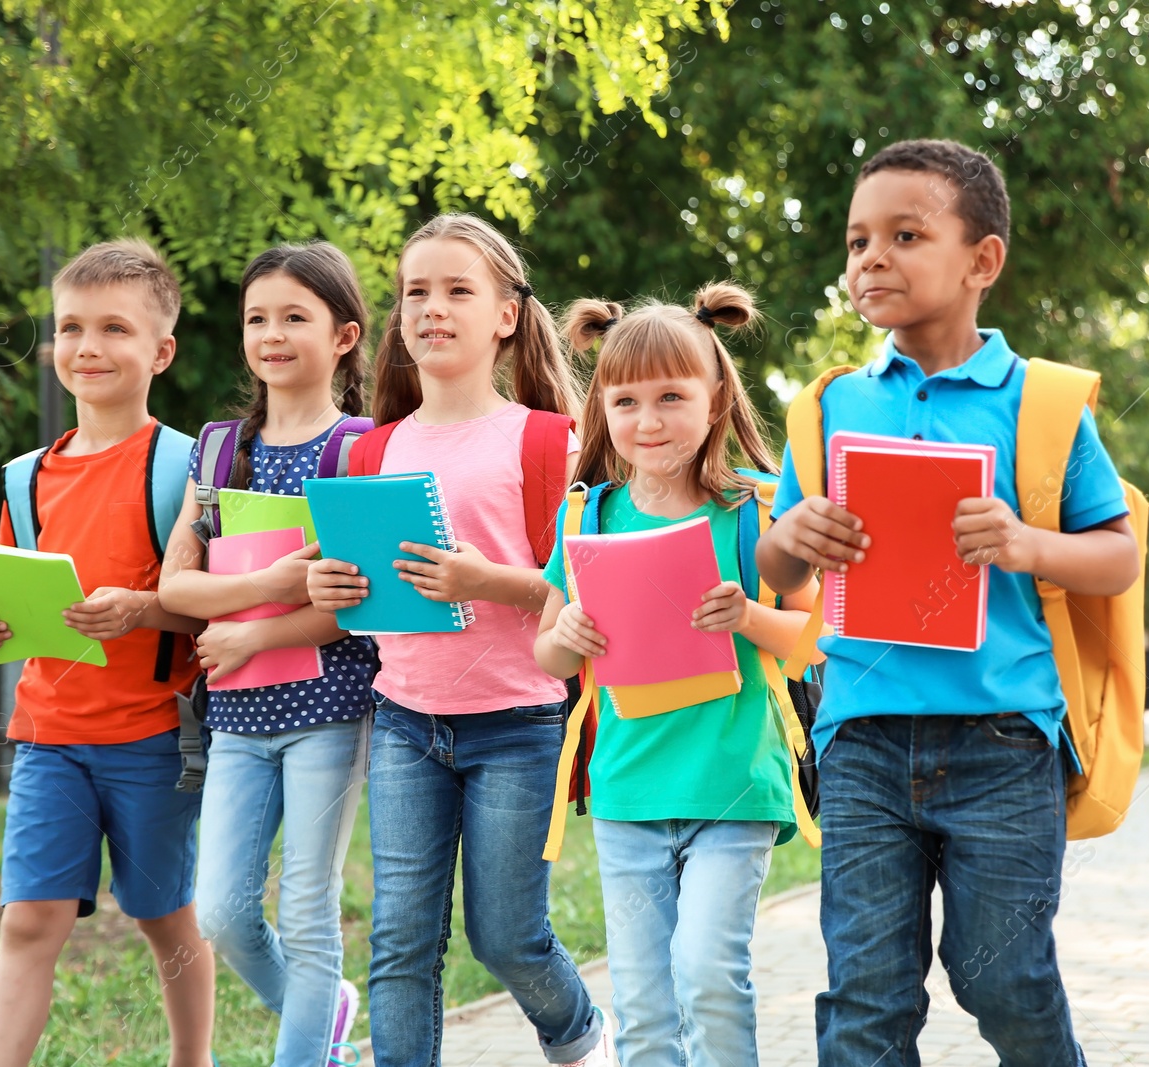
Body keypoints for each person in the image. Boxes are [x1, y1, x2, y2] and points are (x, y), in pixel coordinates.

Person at [756, 139, 1141, 1066]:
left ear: (983, 261)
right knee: (866, 998)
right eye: (856, 242)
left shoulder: (1040, 405)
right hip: (862, 739)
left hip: (1003, 742)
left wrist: (1025, 544)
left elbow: (1117, 555)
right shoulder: (830, 408)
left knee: (999, 979)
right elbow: (778, 571)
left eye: (903, 235)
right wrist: (794, 537)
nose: (869, 260)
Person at [306, 214, 610, 1067]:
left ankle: (579, 1032)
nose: (431, 308)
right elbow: (360, 606)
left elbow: (582, 585)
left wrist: (491, 581)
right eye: (416, 292)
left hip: (518, 720)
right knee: (401, 943)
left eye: (456, 291)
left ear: (507, 315)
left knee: (508, 935)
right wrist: (337, 590)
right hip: (406, 719)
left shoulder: (550, 439)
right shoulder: (371, 451)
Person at [533, 283, 818, 1067]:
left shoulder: (757, 510)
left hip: (733, 786)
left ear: (717, 396)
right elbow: (548, 656)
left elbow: (817, 640)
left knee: (707, 975)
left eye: (671, 396)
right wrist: (567, 631)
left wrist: (750, 618)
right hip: (628, 792)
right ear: (601, 408)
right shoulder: (585, 515)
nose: (648, 420)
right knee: (646, 1004)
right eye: (625, 401)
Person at [0, 239, 215, 1067]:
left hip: (153, 735)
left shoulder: (187, 467)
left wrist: (143, 609)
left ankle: (192, 1057)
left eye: (115, 328)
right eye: (72, 327)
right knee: (28, 916)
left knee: (163, 913)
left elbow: (218, 605)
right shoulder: (22, 479)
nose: (89, 347)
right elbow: (16, 599)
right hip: (49, 735)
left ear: (161, 351)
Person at [158, 242, 379, 1067]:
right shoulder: (215, 449)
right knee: (220, 910)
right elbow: (175, 583)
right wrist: (278, 582)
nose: (272, 333)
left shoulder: (360, 448)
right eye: (258, 318)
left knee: (311, 907)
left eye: (296, 317)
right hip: (239, 715)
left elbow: (352, 605)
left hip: (329, 710)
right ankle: (325, 1018)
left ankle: (308, 1050)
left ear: (345, 335)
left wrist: (253, 625)